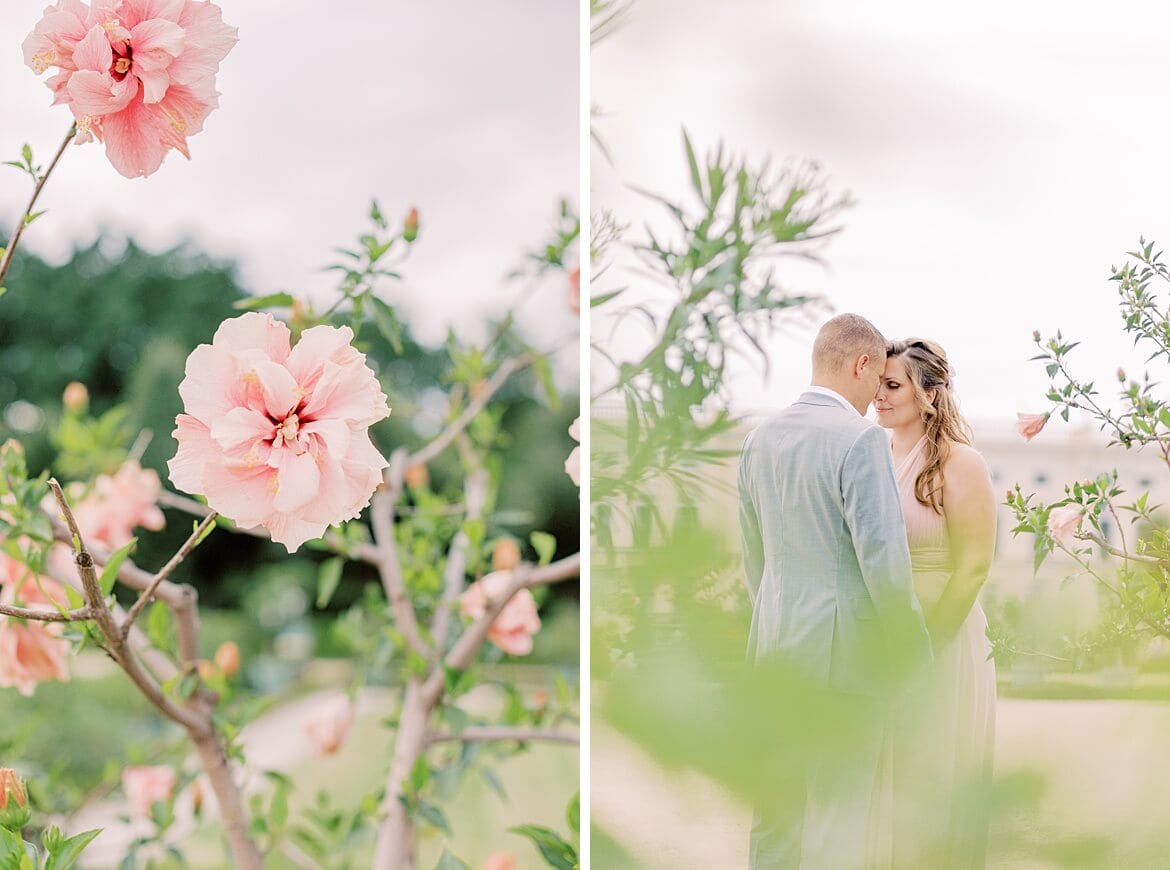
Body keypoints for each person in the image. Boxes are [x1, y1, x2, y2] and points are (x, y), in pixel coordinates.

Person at [737, 313, 932, 869]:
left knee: (774, 813)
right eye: (877, 383)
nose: (877, 398)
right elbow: (885, 567)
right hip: (844, 667)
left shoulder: (759, 440)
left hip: (774, 656)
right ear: (861, 363)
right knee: (836, 818)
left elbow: (756, 562)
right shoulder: (860, 439)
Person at [872, 338, 997, 869]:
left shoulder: (961, 463)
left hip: (941, 640)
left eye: (892, 385)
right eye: (877, 382)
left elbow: (973, 567)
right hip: (880, 638)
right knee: (885, 782)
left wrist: (925, 646)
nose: (878, 395)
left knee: (935, 772)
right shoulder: (871, 454)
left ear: (930, 393)